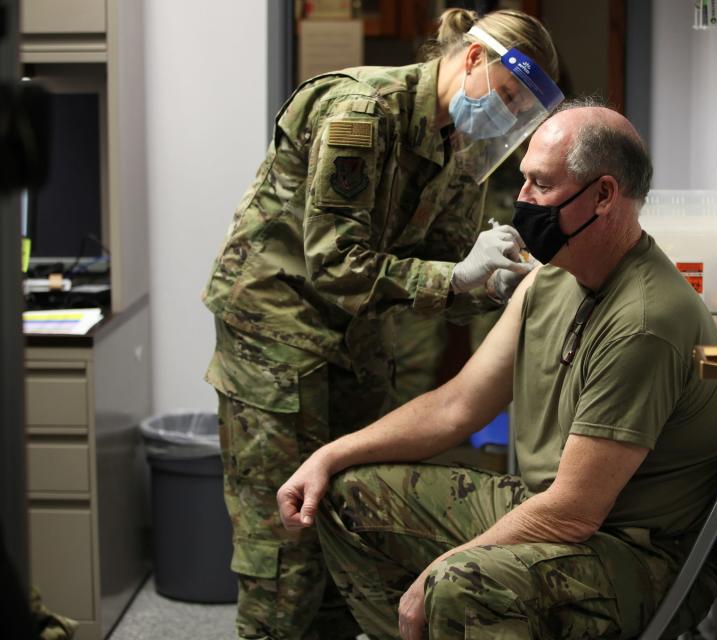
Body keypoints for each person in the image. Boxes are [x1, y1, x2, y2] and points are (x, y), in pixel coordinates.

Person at [277, 101, 717, 639]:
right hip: (547, 509)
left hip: (628, 553)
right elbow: (457, 405)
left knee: (459, 583)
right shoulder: (552, 280)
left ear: (604, 195)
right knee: (345, 496)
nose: (522, 202)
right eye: (523, 181)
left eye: (541, 184)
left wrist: (432, 575)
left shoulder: (645, 321)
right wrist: (328, 455)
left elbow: (574, 513)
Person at [202, 8, 563, 639]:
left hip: (359, 341)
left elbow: (444, 266)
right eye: (506, 97)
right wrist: (455, 279)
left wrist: (492, 283)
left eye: (519, 110)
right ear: (473, 59)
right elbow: (337, 264)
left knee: (348, 525)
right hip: (277, 338)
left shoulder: (461, 145)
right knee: (286, 548)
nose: (504, 117)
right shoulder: (362, 111)